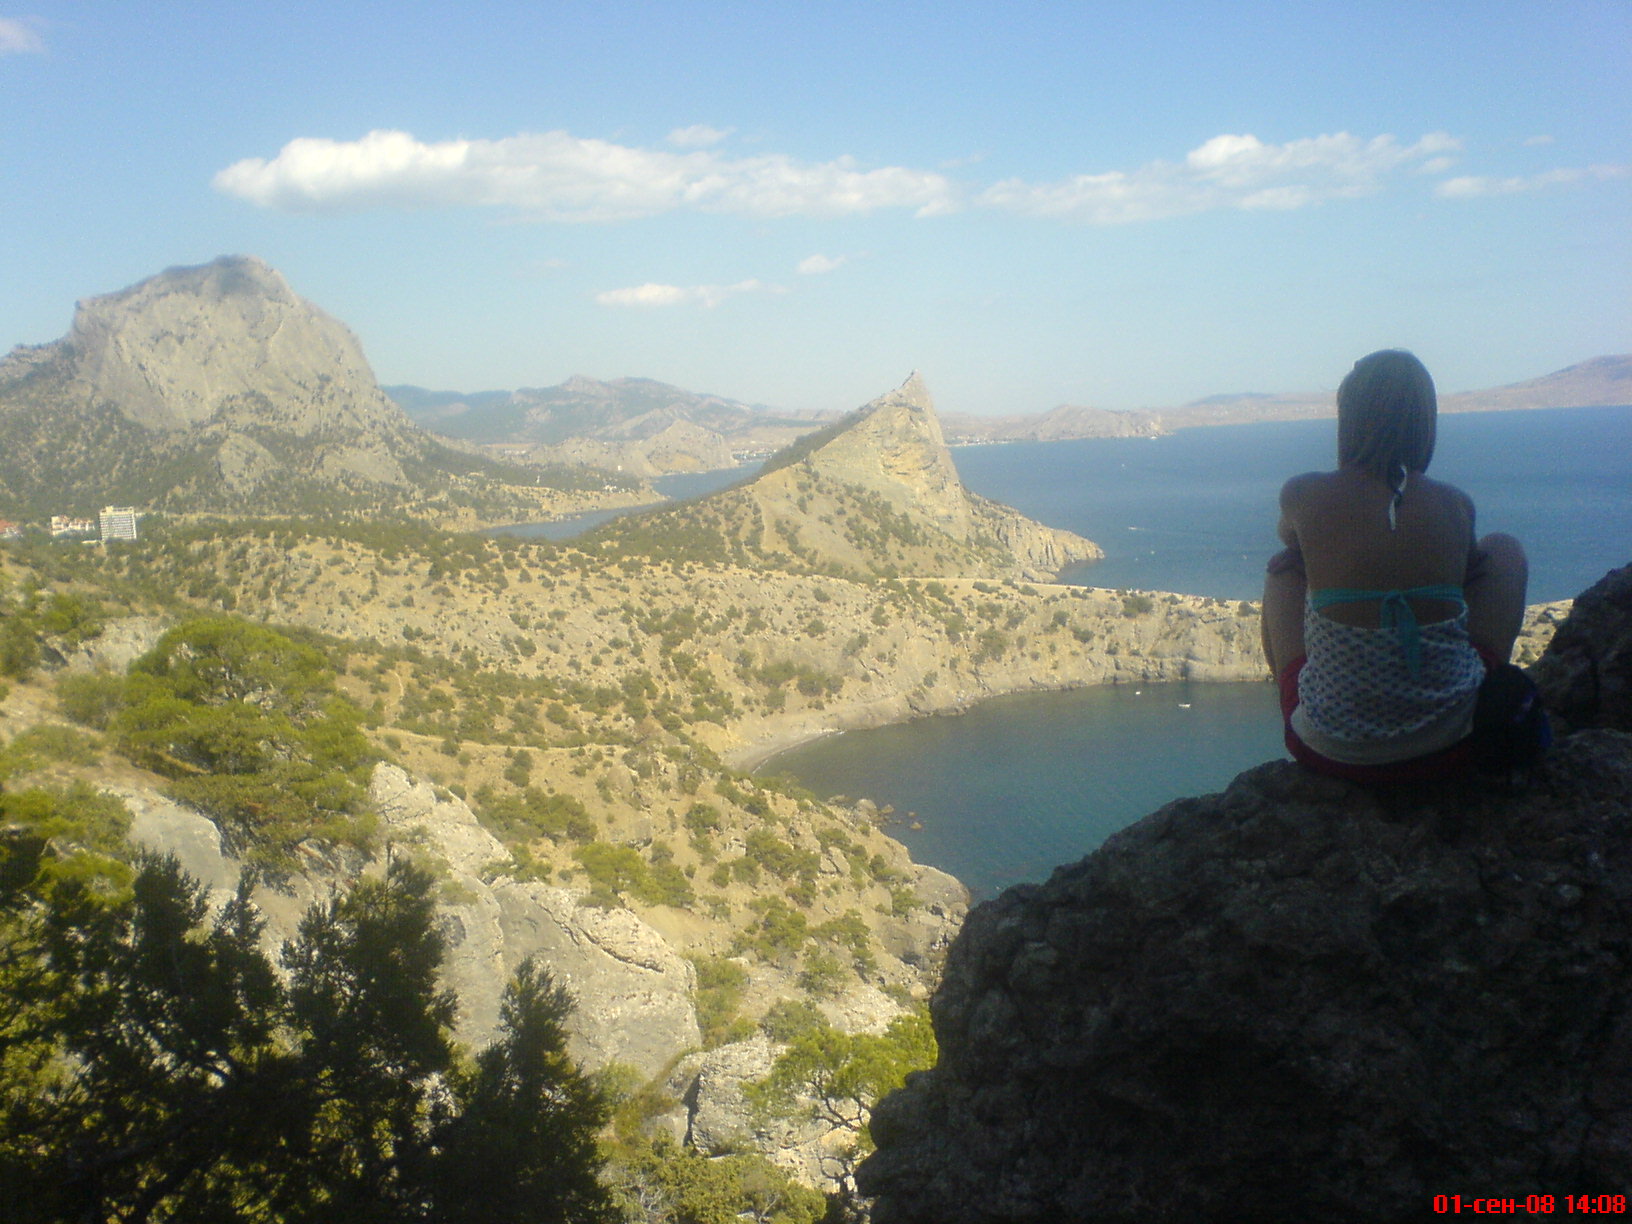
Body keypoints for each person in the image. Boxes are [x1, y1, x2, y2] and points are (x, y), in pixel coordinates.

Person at [1261, 349, 1530, 783]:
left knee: (1283, 571)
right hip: (1454, 743)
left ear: (1348, 419)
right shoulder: (1455, 504)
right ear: (1425, 422)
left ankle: (1309, 700)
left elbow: (1288, 543)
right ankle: (1469, 680)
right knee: (1504, 550)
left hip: (1331, 750)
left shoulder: (1303, 493)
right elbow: (1471, 574)